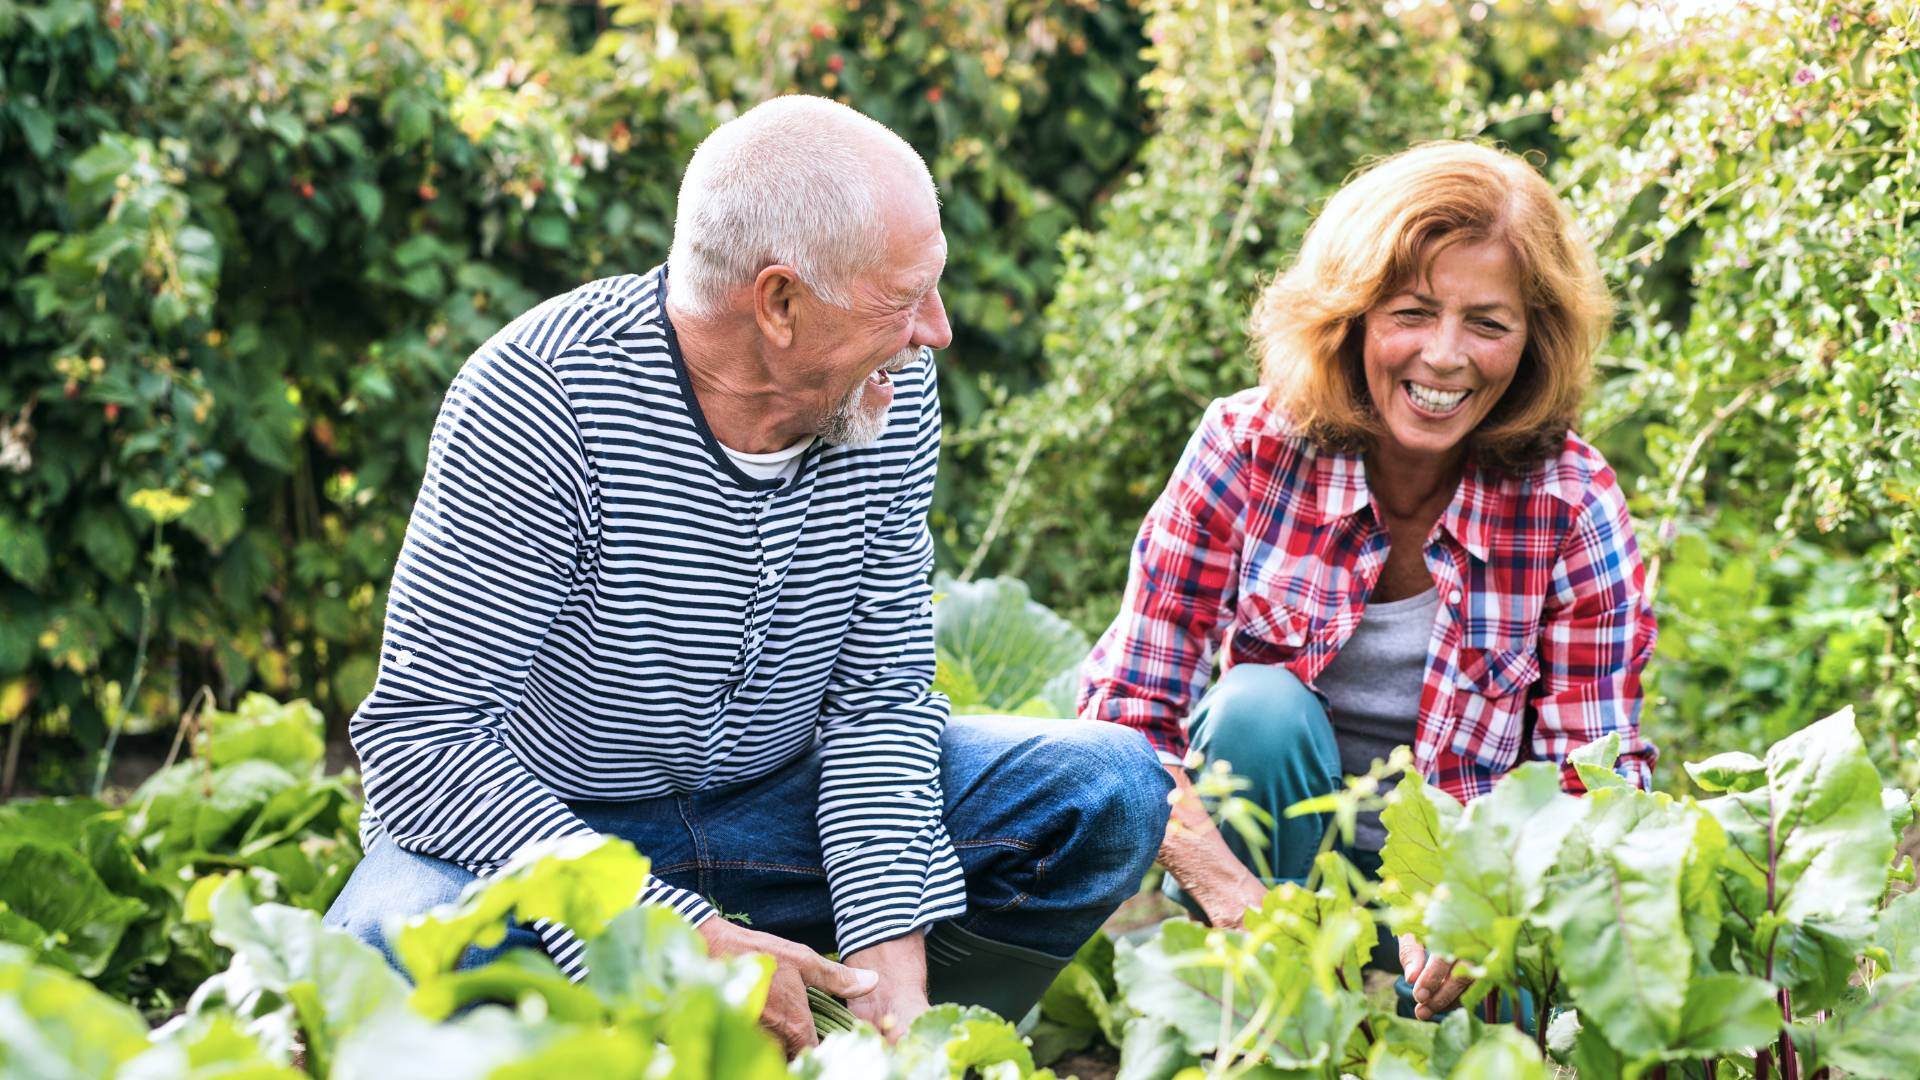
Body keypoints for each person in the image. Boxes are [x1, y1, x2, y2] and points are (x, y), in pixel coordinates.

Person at [323, 95, 1170, 1054]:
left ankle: (841, 1036)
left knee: (1109, 791)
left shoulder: (881, 390)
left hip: (780, 816)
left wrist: (897, 984)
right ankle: (663, 1024)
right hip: (561, 834)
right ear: (778, 302)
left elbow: (879, 705)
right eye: (904, 298)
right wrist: (675, 931)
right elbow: (424, 742)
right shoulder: (543, 397)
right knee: (384, 954)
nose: (934, 330)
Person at [1079, 140, 1656, 1023]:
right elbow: (1124, 719)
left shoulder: (1572, 504)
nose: (1446, 357)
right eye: (1413, 312)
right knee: (1258, 708)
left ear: (1533, 341)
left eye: (1488, 324)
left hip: (1464, 902)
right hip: (1271, 879)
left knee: (1512, 1027)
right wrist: (1236, 899)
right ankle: (1263, 1018)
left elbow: (1594, 779)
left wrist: (1479, 908)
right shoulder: (1248, 448)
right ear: (1351, 313)